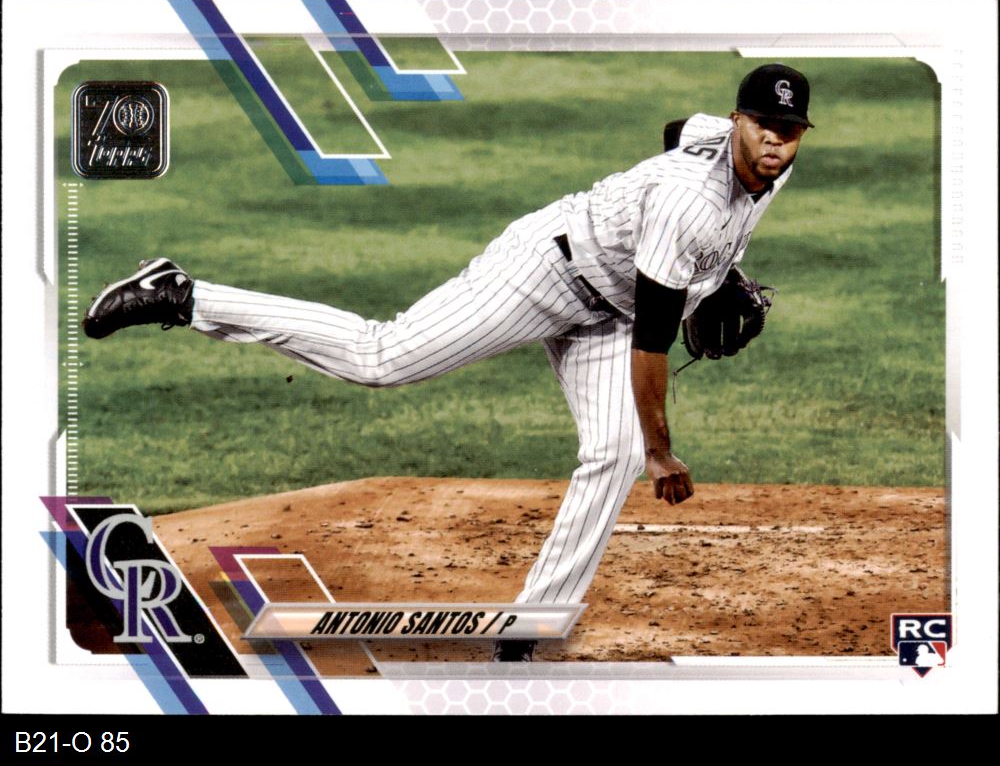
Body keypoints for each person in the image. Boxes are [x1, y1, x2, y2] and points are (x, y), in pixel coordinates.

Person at [83, 64, 812, 662]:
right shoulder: (688, 202)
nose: (775, 141)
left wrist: (716, 274)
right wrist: (661, 450)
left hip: (608, 309)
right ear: (738, 121)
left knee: (610, 454)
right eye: (761, 125)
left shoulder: (755, 162)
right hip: (546, 270)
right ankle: (185, 295)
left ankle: (530, 625)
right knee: (381, 355)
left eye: (788, 130)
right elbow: (652, 342)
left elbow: (678, 131)